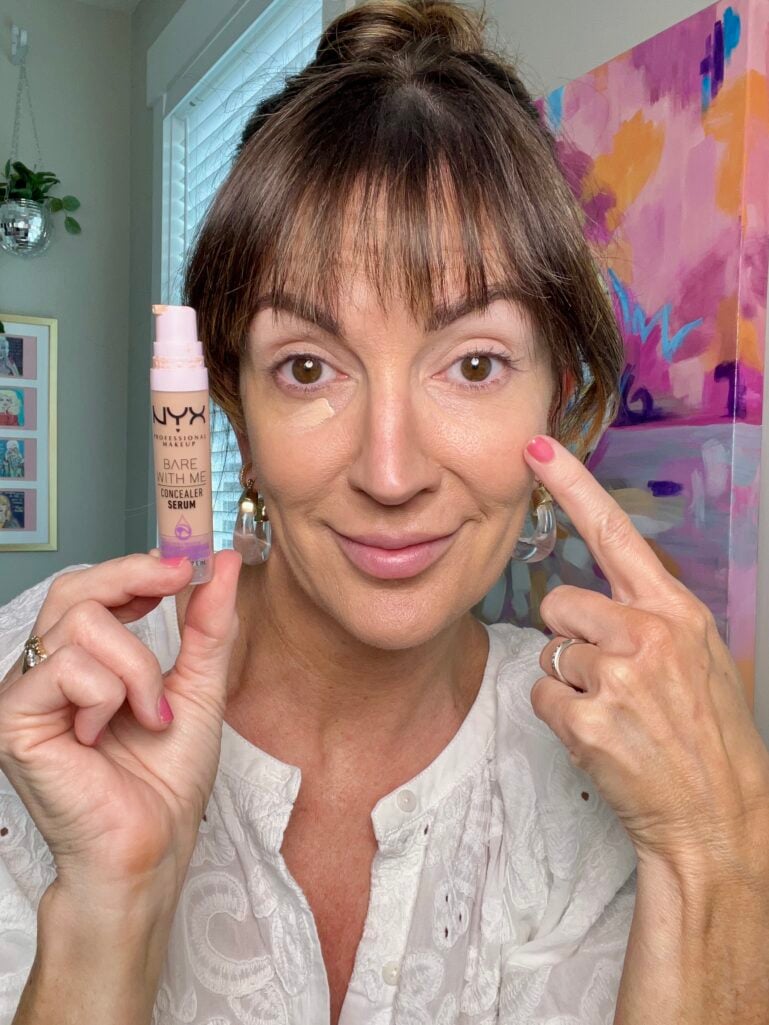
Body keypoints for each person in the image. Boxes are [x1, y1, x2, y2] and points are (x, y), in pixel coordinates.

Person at [1, 2, 768, 1024]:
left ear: (561, 394)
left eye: (475, 364)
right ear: (234, 402)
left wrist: (718, 849)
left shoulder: (624, 762)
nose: (391, 468)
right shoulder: (53, 682)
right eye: (309, 367)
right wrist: (110, 909)